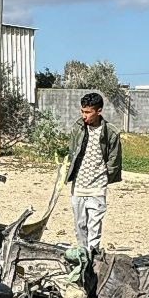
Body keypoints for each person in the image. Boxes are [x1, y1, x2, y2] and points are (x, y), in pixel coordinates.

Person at [65, 92, 122, 254]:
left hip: (97, 186)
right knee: (80, 225)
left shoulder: (111, 133)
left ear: (99, 111)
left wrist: (105, 178)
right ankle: (83, 257)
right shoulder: (78, 128)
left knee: (94, 225)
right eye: (82, 111)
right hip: (79, 186)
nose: (84, 116)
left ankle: (93, 256)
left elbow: (114, 159)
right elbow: (72, 152)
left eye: (88, 112)